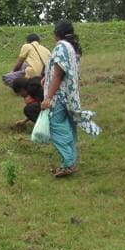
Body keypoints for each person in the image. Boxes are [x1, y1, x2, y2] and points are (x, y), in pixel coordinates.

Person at [40, 21, 101, 177]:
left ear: (57, 33)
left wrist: (48, 97)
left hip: (59, 96)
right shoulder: (73, 48)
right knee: (69, 127)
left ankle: (68, 163)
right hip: (70, 95)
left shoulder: (61, 46)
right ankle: (70, 162)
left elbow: (59, 74)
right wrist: (46, 78)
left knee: (55, 126)